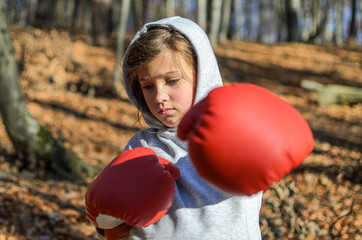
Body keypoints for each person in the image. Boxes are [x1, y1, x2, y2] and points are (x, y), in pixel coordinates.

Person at [121, 16, 263, 239]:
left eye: (172, 81)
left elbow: (254, 173)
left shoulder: (233, 134)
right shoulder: (140, 146)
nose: (159, 96)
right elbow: (117, 217)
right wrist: (107, 224)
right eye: (148, 86)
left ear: (202, 76)